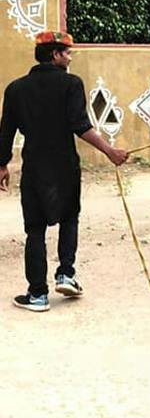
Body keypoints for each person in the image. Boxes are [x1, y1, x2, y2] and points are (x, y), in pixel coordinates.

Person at [0, 31, 129, 312]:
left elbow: (6, 131)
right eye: (67, 53)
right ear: (56, 54)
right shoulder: (71, 84)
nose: (70, 57)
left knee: (35, 230)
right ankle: (66, 274)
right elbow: (80, 125)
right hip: (64, 164)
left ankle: (37, 295)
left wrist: (2, 165)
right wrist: (110, 151)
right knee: (69, 217)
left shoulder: (15, 89)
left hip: (34, 166)